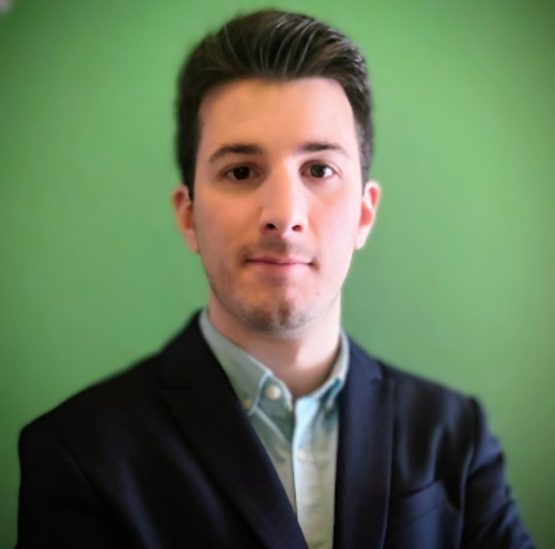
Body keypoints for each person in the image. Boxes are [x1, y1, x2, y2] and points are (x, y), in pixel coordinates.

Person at [17, 9, 533, 549]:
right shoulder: (79, 455)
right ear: (189, 217)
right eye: (241, 171)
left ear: (364, 214)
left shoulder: (457, 438)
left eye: (319, 170)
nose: (284, 215)